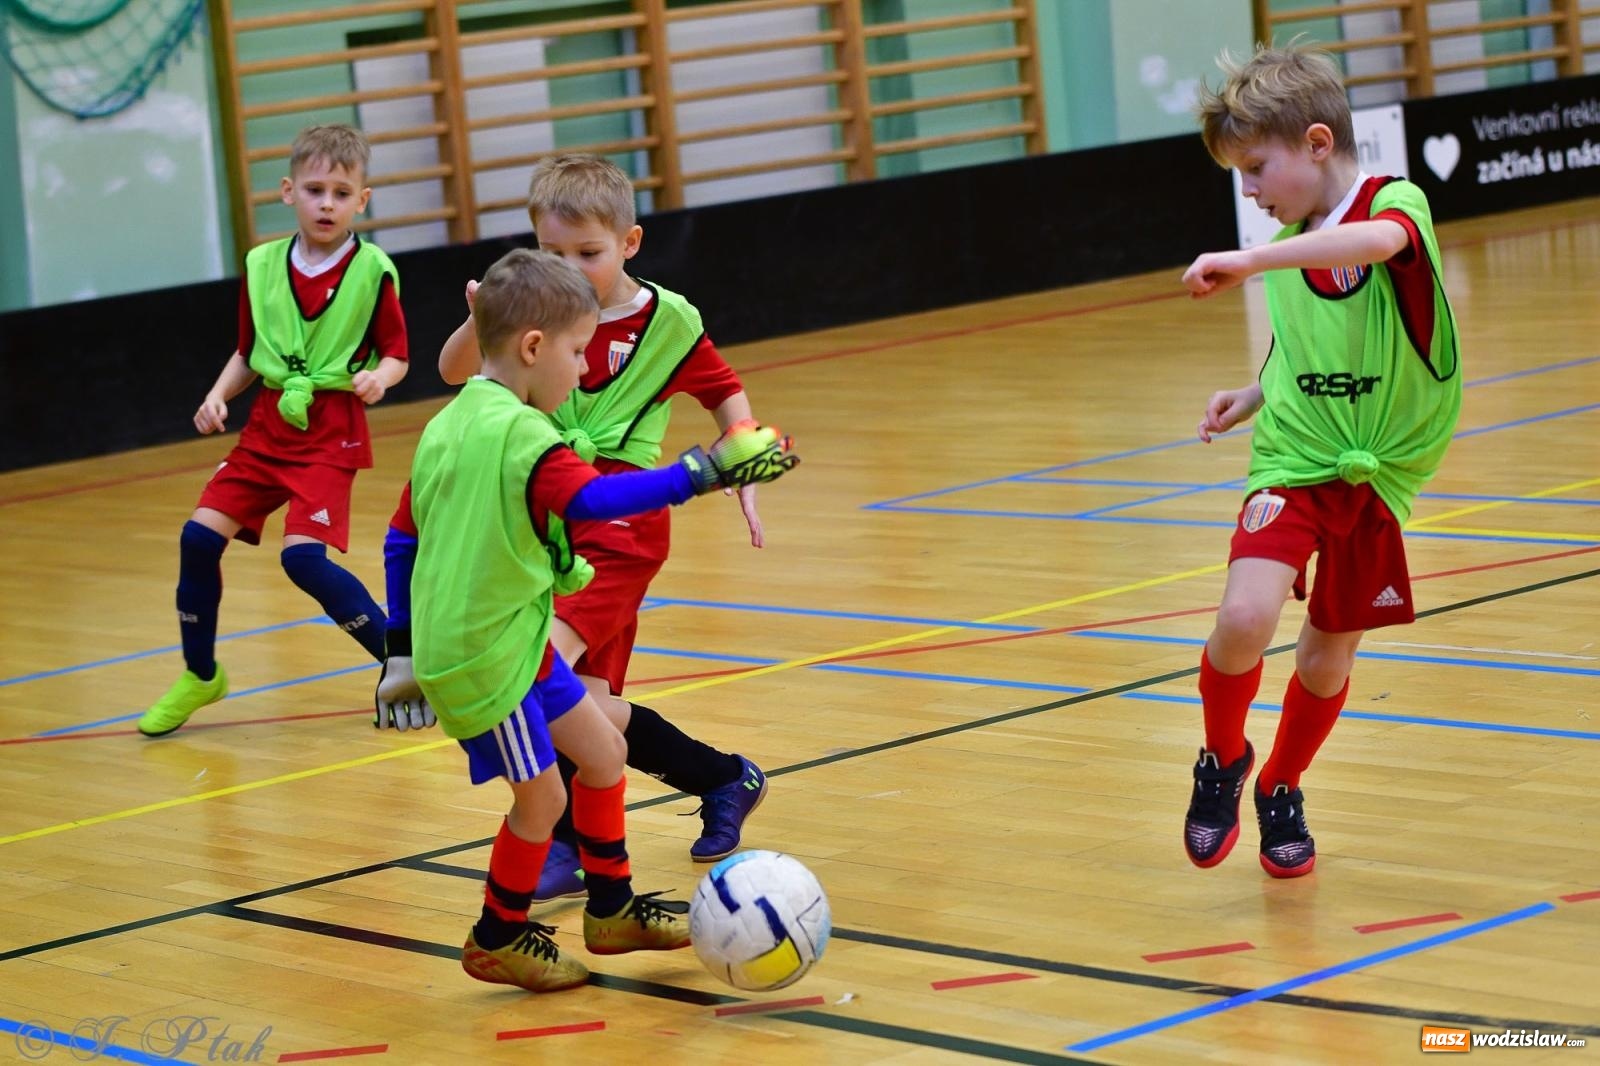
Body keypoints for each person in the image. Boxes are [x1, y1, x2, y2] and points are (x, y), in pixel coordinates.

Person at [399, 247, 796, 992]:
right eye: (579, 352)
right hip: (486, 654)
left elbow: (398, 534)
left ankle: (611, 910)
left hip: (517, 635)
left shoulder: (455, 421)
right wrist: (699, 473)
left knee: (603, 748)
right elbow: (590, 502)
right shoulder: (519, 435)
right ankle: (499, 935)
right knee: (543, 798)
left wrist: (395, 649)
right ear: (533, 348)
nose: (585, 371)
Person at [1178, 42, 1461, 878]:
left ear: (1316, 143)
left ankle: (1283, 785)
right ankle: (1222, 758)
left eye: (1255, 168)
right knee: (1242, 619)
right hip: (1296, 455)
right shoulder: (1295, 243)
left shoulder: (1395, 204)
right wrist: (1254, 393)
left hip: (1379, 469)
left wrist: (1252, 261)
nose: (1249, 191)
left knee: (1328, 652)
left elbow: (1372, 244)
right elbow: (1303, 347)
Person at [139, 124, 408, 737]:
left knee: (304, 562)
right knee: (198, 538)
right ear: (289, 192)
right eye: (315, 190)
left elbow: (397, 352)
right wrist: (216, 396)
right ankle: (201, 675)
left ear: (361, 201)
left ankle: (399, 665)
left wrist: (381, 380)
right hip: (267, 428)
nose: (327, 203)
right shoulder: (262, 265)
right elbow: (246, 351)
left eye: (342, 193)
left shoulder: (373, 271)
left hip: (330, 429)